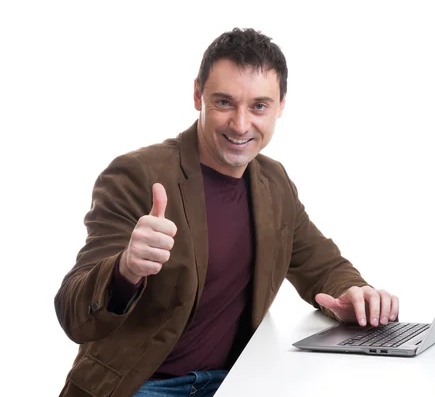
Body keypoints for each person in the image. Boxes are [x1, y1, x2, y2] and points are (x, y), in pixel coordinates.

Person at [54, 27, 400, 397]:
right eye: (223, 103)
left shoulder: (274, 183)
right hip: (142, 386)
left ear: (281, 106)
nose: (240, 124)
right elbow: (73, 313)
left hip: (234, 383)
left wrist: (355, 294)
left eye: (258, 106)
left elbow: (322, 265)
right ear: (197, 95)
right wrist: (126, 270)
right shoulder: (137, 175)